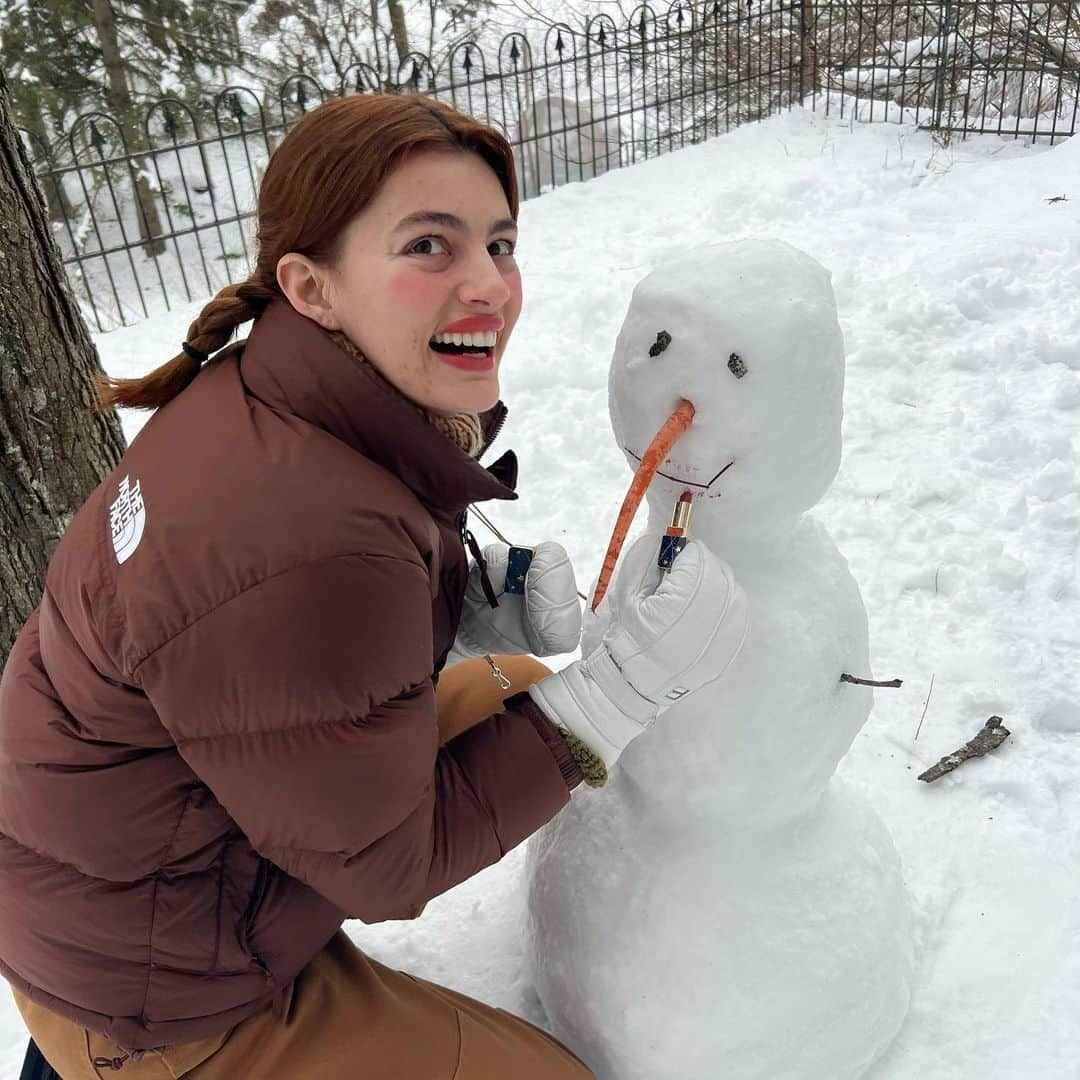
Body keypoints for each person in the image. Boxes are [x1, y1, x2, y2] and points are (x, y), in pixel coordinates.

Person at [0, 93, 749, 1078]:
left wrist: (462, 601)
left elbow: (287, 640)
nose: (489, 285)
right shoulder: (307, 547)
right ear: (312, 285)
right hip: (154, 988)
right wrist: (613, 700)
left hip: (126, 859)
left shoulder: (277, 387)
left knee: (517, 684)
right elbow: (390, 866)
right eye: (429, 246)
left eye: (499, 242)